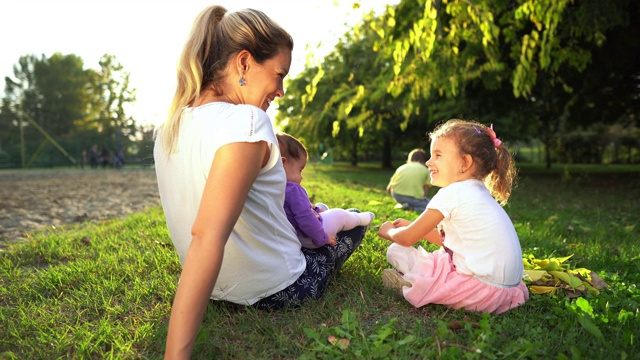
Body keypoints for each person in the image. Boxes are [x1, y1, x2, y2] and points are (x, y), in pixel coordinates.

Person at [153, 6, 368, 358]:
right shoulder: (247, 123)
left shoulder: (169, 127)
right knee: (351, 225)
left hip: (214, 289)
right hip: (279, 289)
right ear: (243, 63)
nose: (281, 90)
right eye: (279, 74)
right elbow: (207, 236)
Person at [377, 119, 529, 314]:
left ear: (465, 162)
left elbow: (406, 238)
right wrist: (415, 226)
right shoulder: (479, 192)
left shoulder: (452, 193)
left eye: (438, 155)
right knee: (439, 259)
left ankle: (411, 285)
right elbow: (454, 244)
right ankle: (417, 280)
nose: (429, 162)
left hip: (476, 293)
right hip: (508, 293)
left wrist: (388, 230)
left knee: (395, 249)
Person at [277, 132, 374, 248]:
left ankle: (323, 211)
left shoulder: (273, 187)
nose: (302, 177)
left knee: (321, 206)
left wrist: (315, 209)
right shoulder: (293, 189)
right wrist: (323, 237)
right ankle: (358, 219)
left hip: (295, 235)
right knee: (339, 215)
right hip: (309, 236)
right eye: (300, 170)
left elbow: (295, 210)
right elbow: (305, 217)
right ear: (283, 164)